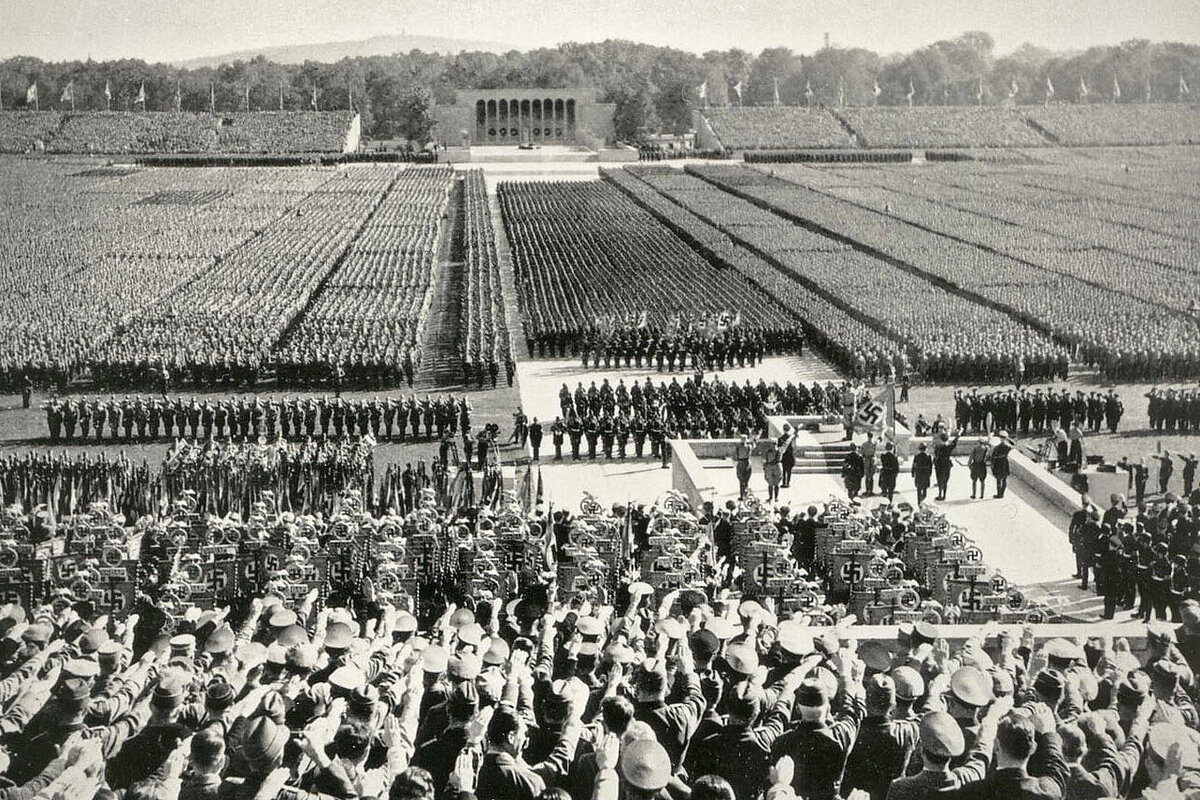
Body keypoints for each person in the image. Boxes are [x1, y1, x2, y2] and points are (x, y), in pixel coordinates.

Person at [933, 430, 961, 502]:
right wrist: (957, 436)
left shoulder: (938, 447)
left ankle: (940, 494)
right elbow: (954, 443)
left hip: (939, 465)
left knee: (939, 480)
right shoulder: (948, 447)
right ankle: (944, 495)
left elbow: (935, 456)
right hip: (946, 464)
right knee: (945, 481)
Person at [991, 432, 1013, 499]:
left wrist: (992, 465)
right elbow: (1014, 445)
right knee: (1004, 479)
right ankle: (1002, 493)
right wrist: (1008, 439)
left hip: (998, 464)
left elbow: (993, 457)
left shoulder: (996, 447)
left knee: (998, 479)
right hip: (1004, 463)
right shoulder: (1007, 447)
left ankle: (999, 494)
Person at [778, 424, 796, 488]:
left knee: (784, 470)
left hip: (784, 456)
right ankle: (788, 482)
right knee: (789, 470)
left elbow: (779, 449)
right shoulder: (791, 438)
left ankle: (783, 482)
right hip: (790, 455)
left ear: (783, 429)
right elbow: (794, 447)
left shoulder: (780, 439)